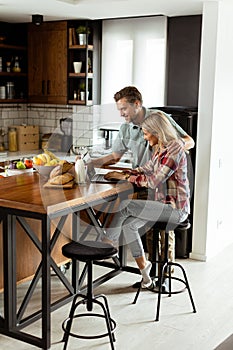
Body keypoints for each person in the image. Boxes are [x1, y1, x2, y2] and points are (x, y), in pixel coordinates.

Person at [90, 86, 194, 290]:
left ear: (136, 104)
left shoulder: (161, 125)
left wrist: (179, 145)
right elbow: (124, 160)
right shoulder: (146, 142)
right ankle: (147, 275)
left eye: (123, 109)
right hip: (149, 186)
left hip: (170, 200)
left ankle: (165, 276)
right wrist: (97, 166)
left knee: (158, 231)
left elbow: (187, 142)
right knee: (137, 228)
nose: (121, 114)